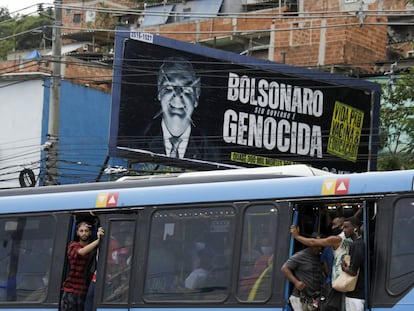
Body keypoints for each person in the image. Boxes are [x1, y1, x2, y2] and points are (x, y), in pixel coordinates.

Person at [142, 56, 219, 161]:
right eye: (169, 88)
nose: (177, 95)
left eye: (187, 90)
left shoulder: (211, 153)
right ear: (159, 93)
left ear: (196, 97)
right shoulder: (139, 143)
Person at [290, 217, 352, 311]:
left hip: (336, 282)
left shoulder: (337, 239)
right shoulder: (352, 239)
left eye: (337, 225)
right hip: (347, 282)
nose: (333, 227)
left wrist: (297, 236)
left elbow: (312, 242)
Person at [60, 222, 104, 311]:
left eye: (86, 231)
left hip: (83, 291)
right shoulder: (73, 246)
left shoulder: (93, 249)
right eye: (81, 231)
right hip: (71, 291)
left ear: (90, 233)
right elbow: (81, 252)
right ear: (77, 233)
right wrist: (98, 240)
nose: (84, 233)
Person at [281, 233, 322, 310]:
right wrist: (296, 282)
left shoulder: (319, 256)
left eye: (321, 245)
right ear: (310, 243)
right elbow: (284, 268)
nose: (319, 248)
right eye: (317, 245)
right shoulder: (301, 255)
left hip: (313, 299)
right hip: (299, 299)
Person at [341, 218, 365, 311]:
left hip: (356, 294)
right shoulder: (359, 243)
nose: (344, 230)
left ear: (355, 228)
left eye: (346, 227)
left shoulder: (357, 245)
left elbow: (353, 271)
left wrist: (344, 267)